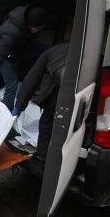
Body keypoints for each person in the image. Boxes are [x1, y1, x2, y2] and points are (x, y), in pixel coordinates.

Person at [11, 42, 69, 175]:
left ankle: (43, 157)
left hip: (61, 85)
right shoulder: (84, 51)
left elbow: (30, 81)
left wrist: (19, 107)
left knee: (47, 121)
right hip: (80, 87)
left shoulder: (49, 54)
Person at [0, 5, 48, 110]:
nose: (40, 30)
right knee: (12, 86)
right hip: (5, 56)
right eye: (39, 28)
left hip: (14, 51)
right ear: (32, 26)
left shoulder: (24, 19)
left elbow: (30, 43)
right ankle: (4, 113)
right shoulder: (11, 34)